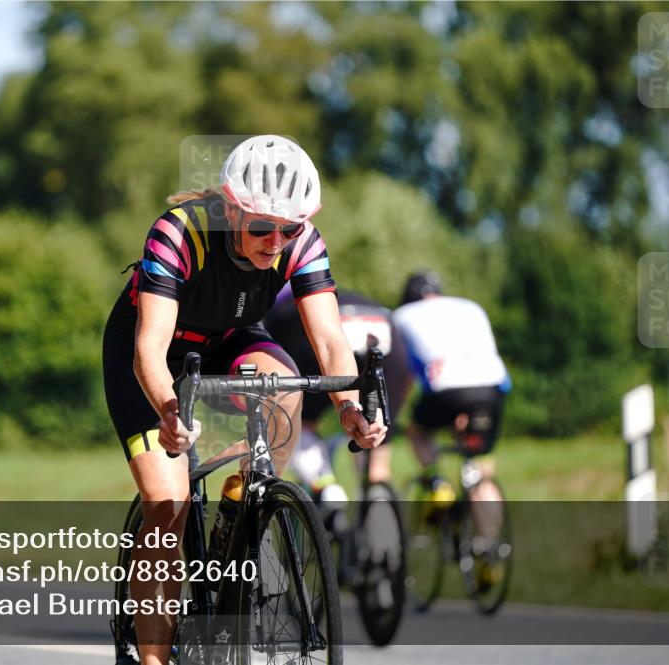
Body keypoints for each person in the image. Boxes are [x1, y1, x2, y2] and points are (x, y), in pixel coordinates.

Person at [103, 135, 387, 665]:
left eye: (290, 228)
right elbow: (149, 350)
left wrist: (349, 406)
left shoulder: (302, 242)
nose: (276, 241)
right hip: (150, 354)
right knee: (168, 506)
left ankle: (244, 499)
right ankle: (153, 658)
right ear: (231, 209)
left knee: (286, 387)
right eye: (261, 227)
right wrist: (168, 409)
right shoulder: (180, 232)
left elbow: (330, 341)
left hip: (229, 338)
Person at [264, 287, 411, 529]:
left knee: (300, 422)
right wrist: (388, 413)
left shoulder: (280, 305)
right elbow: (405, 377)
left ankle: (325, 485)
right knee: (374, 444)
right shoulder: (325, 287)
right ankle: (378, 506)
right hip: (383, 331)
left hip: (324, 330)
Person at [392, 272, 510, 540]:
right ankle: (489, 545)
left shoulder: (402, 316)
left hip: (446, 388)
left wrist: (394, 411)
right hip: (491, 386)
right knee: (480, 466)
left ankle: (437, 482)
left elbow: (404, 374)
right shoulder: (470, 307)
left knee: (418, 432)